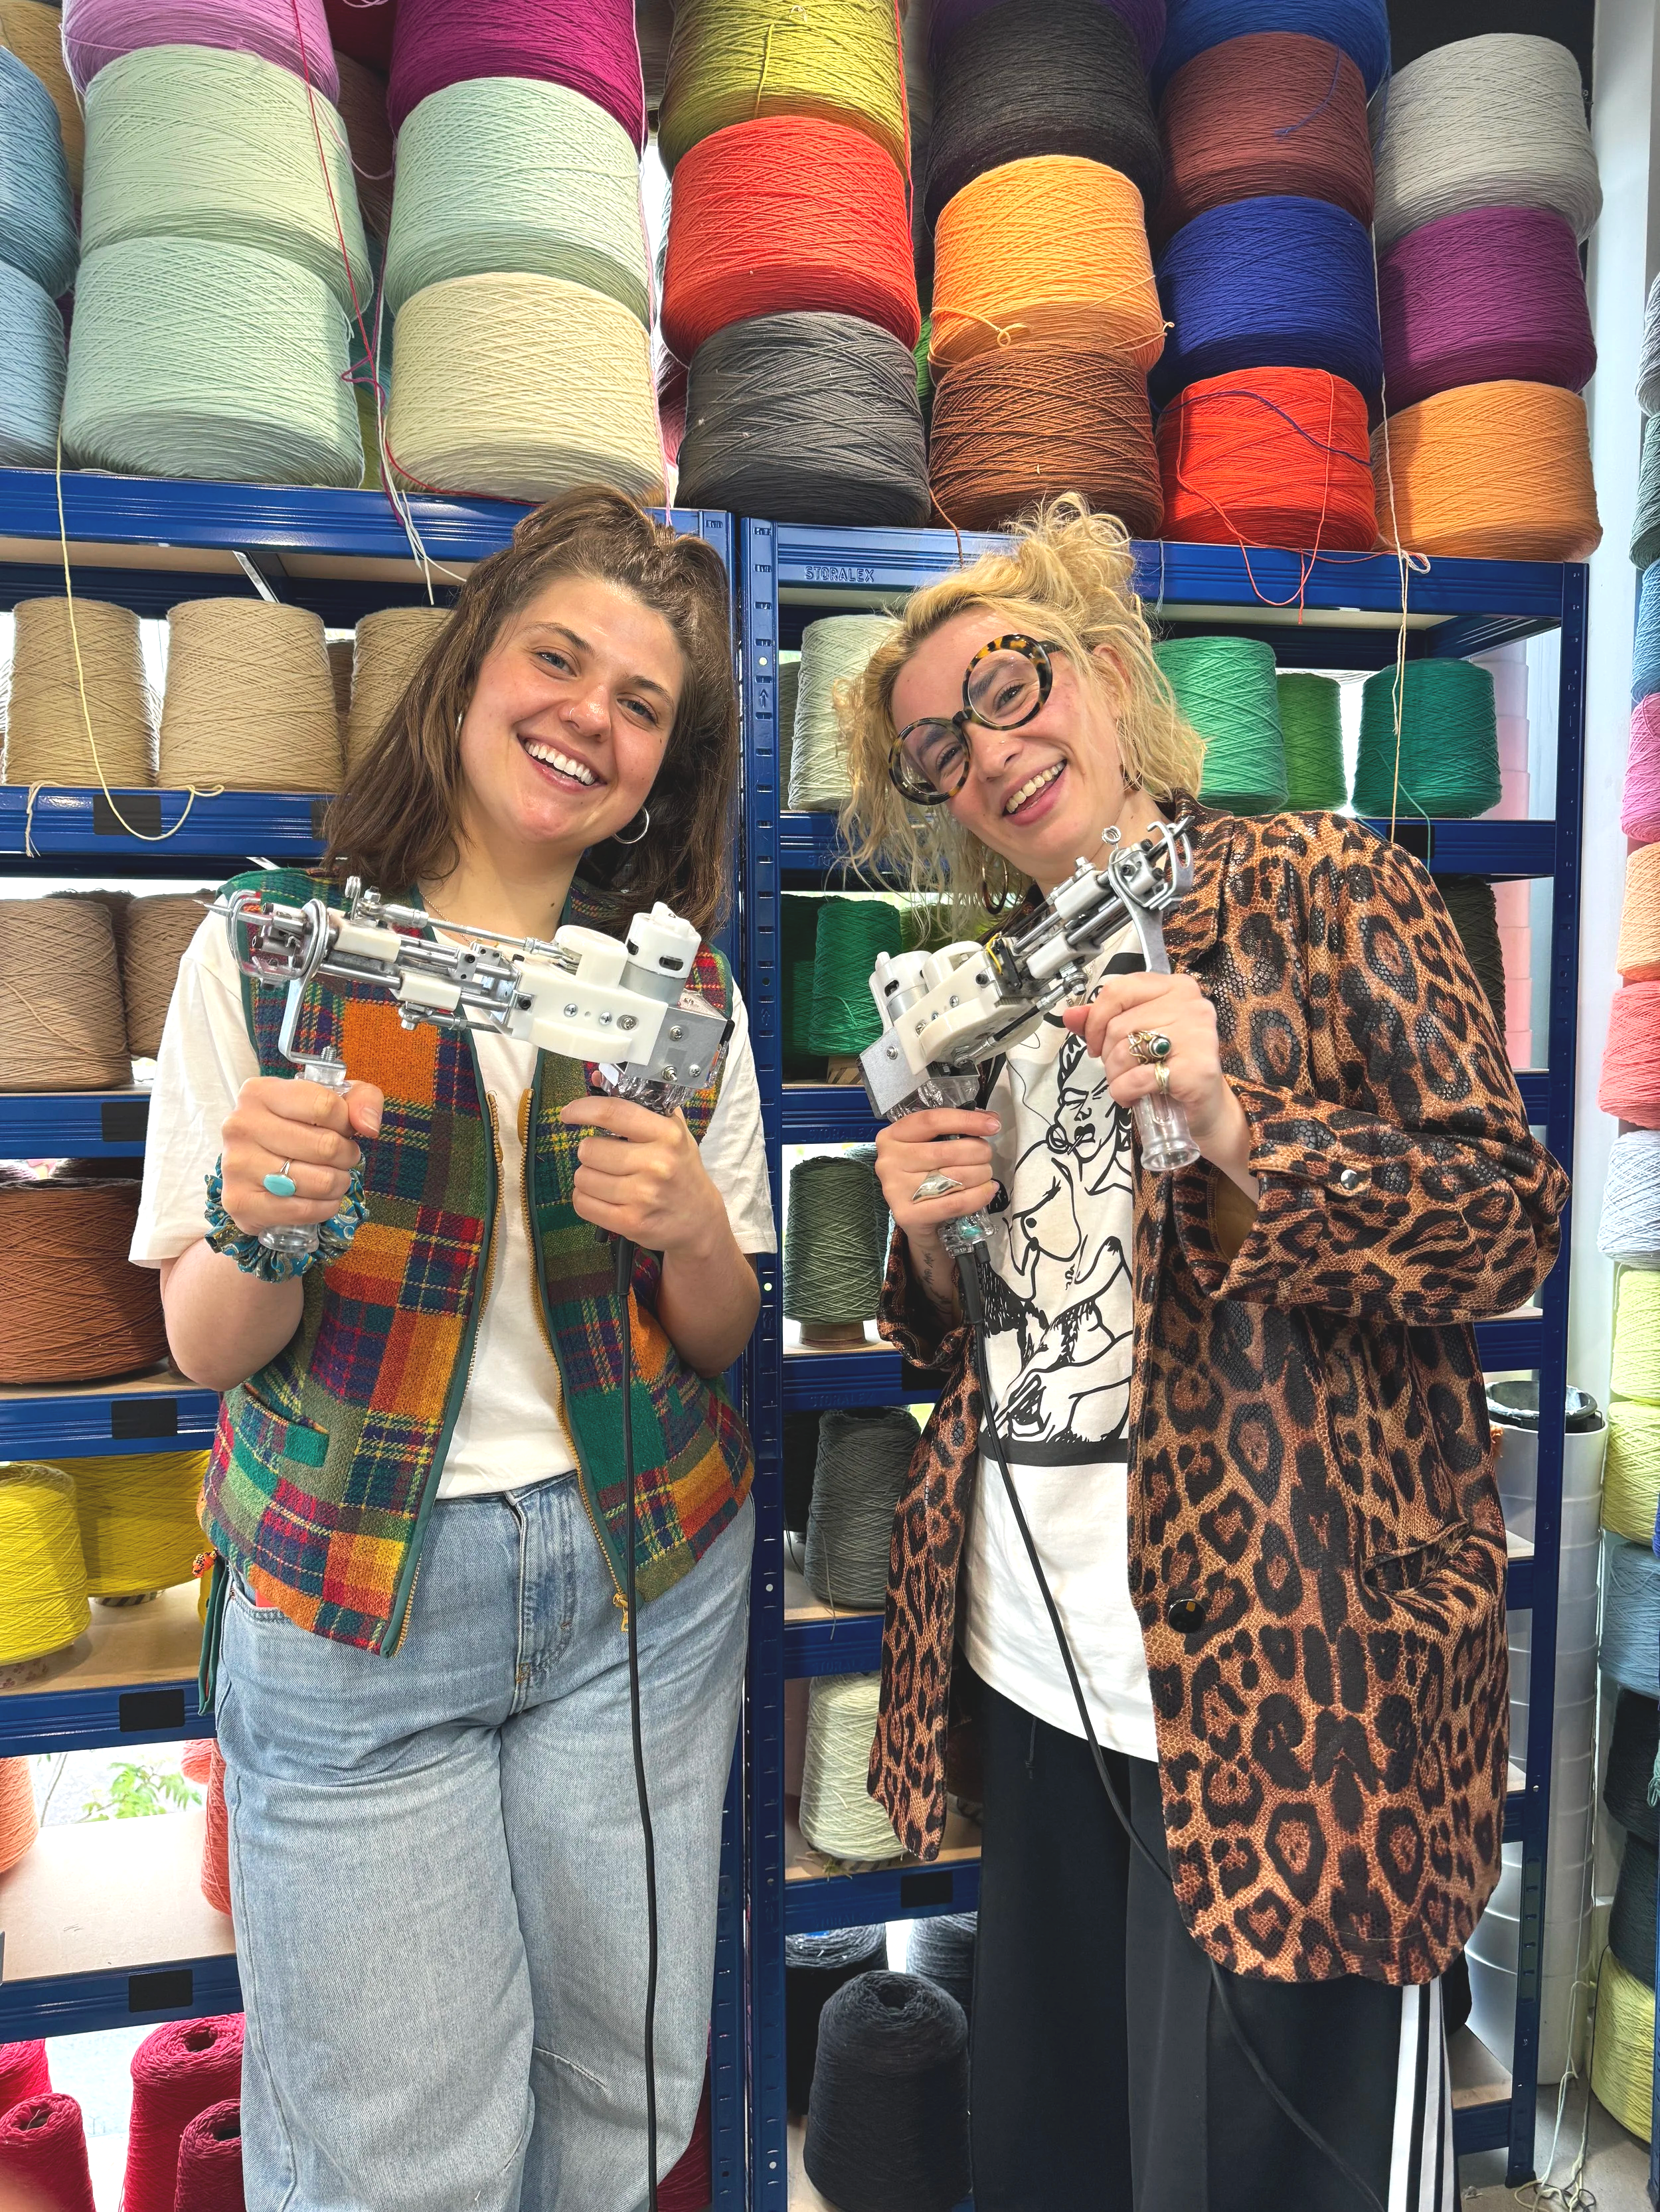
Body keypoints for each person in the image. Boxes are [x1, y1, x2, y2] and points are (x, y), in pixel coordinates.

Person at [839, 497, 1568, 2212]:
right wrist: (931, 1234)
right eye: (939, 748)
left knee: (1266, 2172)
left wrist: (1240, 1113)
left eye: (1008, 687)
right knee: (1063, 2156)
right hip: (1039, 1670)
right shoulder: (998, 994)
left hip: (1290, 1684)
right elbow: (979, 1348)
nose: (989, 755)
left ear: (1103, 666)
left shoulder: (1324, 884)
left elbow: (1500, 1223)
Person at [132, 489, 774, 2212]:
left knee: (618, 2094)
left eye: (641, 701)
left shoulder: (675, 991)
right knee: (391, 2151)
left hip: (638, 1580)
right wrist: (262, 1213)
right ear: (473, 667)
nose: (591, 714)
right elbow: (209, 1343)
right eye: (559, 657)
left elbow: (721, 1336)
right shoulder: (268, 955)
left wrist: (691, 1231)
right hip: (353, 1603)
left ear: (666, 759)